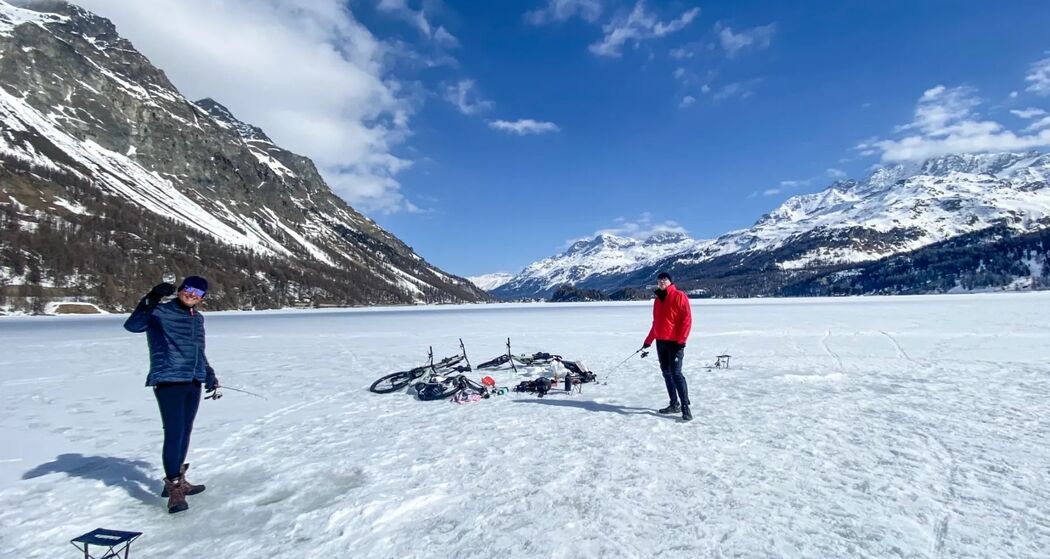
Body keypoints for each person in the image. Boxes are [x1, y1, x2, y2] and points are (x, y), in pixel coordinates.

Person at [124, 275, 220, 513]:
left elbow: (198, 351)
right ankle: (173, 487)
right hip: (169, 379)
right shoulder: (160, 312)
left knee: (185, 431)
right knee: (174, 432)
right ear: (180, 290)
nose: (192, 295)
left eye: (198, 293)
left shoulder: (197, 318)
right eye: (189, 289)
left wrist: (208, 374)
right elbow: (133, 325)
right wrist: (153, 296)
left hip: (193, 380)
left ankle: (179, 478)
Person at [642, 272, 693, 421]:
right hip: (661, 342)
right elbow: (656, 323)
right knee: (666, 373)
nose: (661, 282)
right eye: (659, 280)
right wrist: (648, 341)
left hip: (675, 342)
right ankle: (674, 404)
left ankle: (685, 407)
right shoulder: (658, 300)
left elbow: (687, 320)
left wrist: (682, 340)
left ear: (670, 281)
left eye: (664, 280)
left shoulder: (679, 296)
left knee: (676, 373)